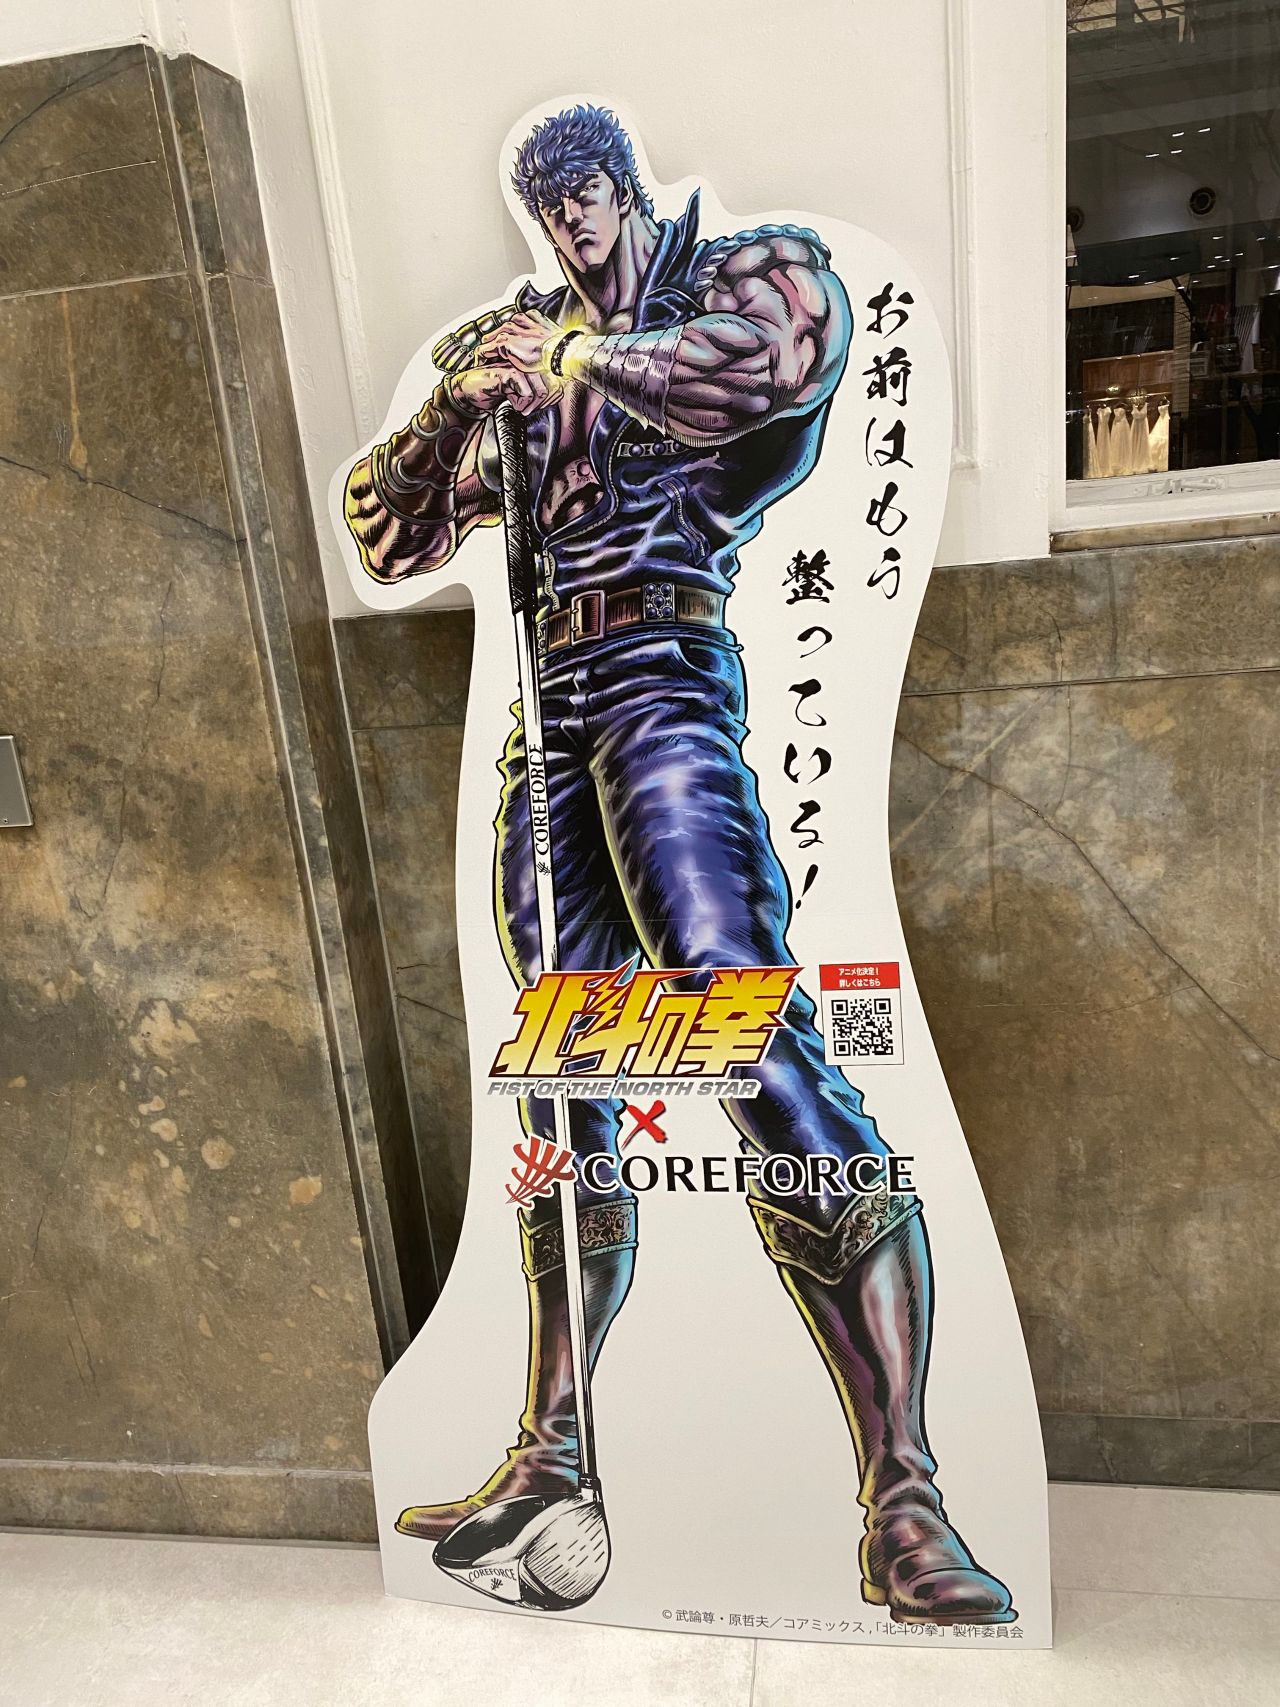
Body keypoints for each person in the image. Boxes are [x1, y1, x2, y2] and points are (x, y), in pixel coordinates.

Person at [344, 104, 1013, 1625]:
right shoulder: (516, 345)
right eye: (545, 206)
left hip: (662, 681)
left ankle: (905, 1500)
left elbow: (763, 374)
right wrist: (456, 407)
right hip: (549, 721)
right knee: (565, 1080)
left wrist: (574, 361)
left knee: (743, 1025)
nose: (568, 224)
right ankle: (553, 1455)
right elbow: (389, 537)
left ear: (623, 185)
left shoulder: (741, 271)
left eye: (584, 193)